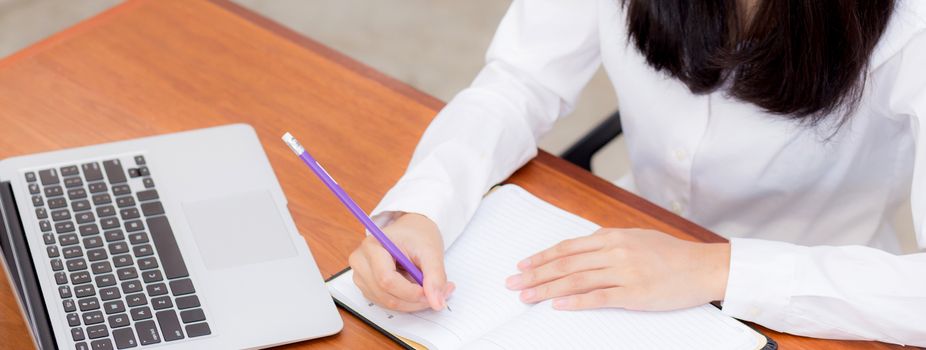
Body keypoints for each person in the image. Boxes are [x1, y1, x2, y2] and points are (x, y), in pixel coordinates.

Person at [347, 0, 926, 345]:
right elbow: (519, 84)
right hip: (622, 244)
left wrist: (713, 268)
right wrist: (421, 208)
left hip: (820, 299)